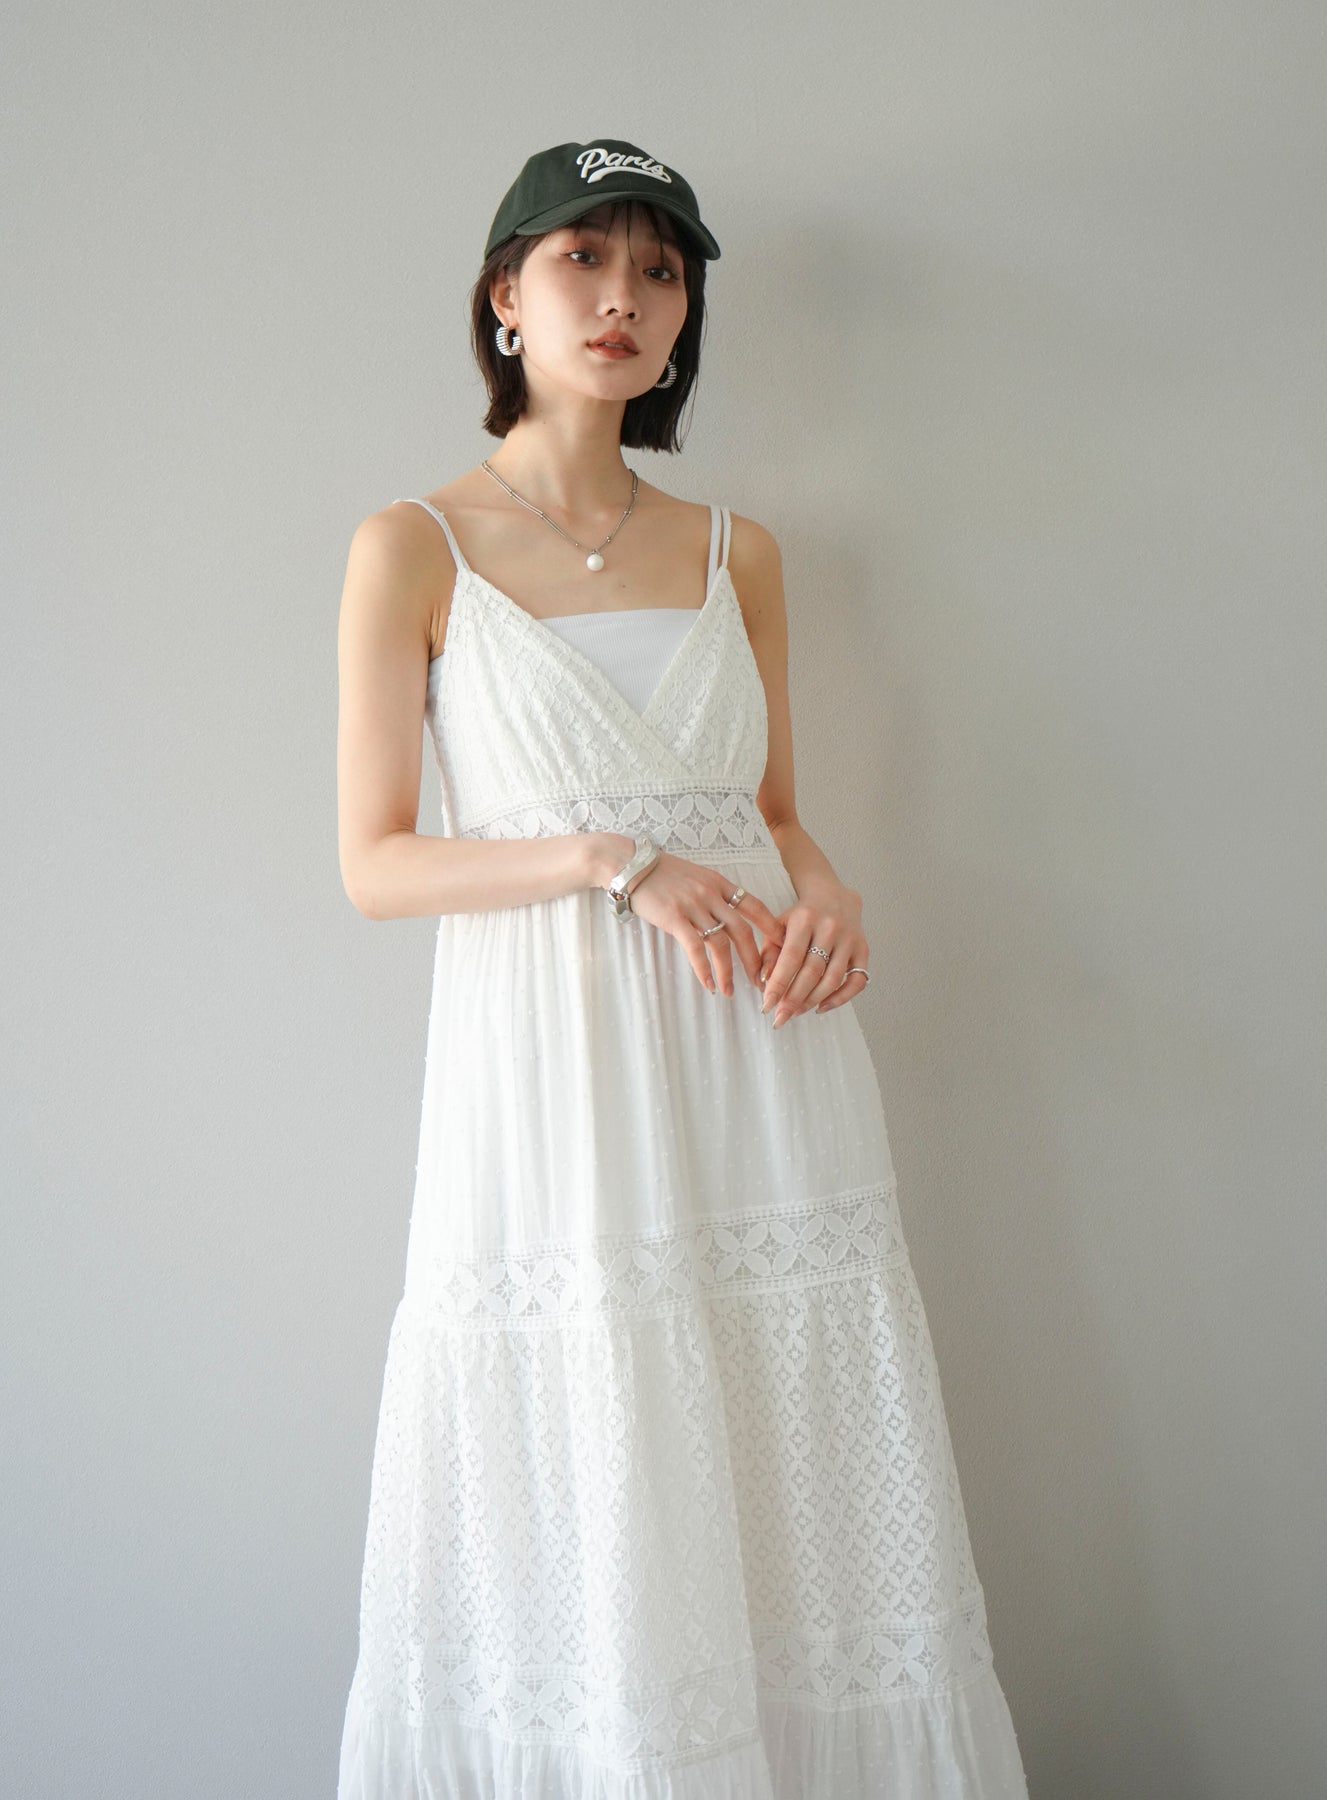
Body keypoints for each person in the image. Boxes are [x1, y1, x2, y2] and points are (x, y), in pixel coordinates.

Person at [333, 137, 1029, 1799]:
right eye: (583, 260)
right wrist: (606, 860)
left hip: (759, 1048)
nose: (624, 300)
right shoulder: (412, 546)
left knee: (779, 1426)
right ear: (505, 299)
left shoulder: (739, 552)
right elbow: (376, 865)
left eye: (659, 272)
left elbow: (771, 815)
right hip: (553, 1070)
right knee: (589, 1422)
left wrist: (831, 892)